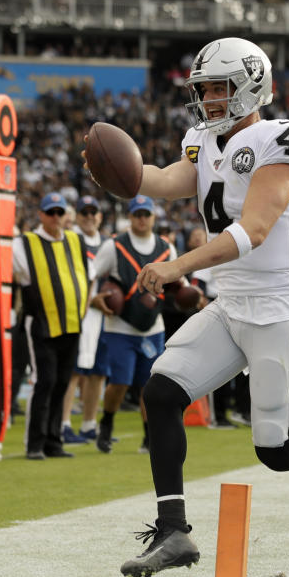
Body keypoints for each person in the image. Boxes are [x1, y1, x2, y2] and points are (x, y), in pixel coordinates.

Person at [83, 37, 289, 577]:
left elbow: (255, 229)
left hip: (278, 309)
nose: (210, 99)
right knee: (162, 392)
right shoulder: (203, 138)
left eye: (220, 88)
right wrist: (123, 174)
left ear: (251, 85)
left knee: (278, 452)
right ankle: (174, 533)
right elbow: (172, 178)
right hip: (231, 303)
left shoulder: (281, 137)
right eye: (204, 89)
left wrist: (177, 265)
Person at [92, 194, 175, 454]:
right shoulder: (114, 245)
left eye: (146, 215)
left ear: (153, 217)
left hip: (152, 326)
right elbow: (91, 274)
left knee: (150, 385)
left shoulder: (166, 247)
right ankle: (106, 422)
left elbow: (176, 283)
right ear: (130, 217)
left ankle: (150, 435)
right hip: (121, 325)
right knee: (120, 381)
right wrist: (95, 299)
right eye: (137, 215)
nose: (141, 219)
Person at [12, 192, 91, 460]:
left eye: (60, 212)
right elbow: (11, 273)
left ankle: (53, 441)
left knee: (61, 383)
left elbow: (85, 278)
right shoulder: (25, 243)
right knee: (44, 381)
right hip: (42, 324)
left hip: (72, 324)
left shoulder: (75, 240)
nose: (56, 218)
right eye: (51, 213)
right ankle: (35, 443)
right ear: (41, 215)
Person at [61, 195, 109, 444]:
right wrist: (91, 299)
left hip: (105, 314)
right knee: (74, 371)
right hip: (80, 312)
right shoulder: (71, 240)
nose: (90, 217)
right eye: (85, 212)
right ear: (77, 216)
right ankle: (64, 424)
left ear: (100, 216)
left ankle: (89, 424)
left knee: (99, 371)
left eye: (94, 212)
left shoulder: (108, 243)